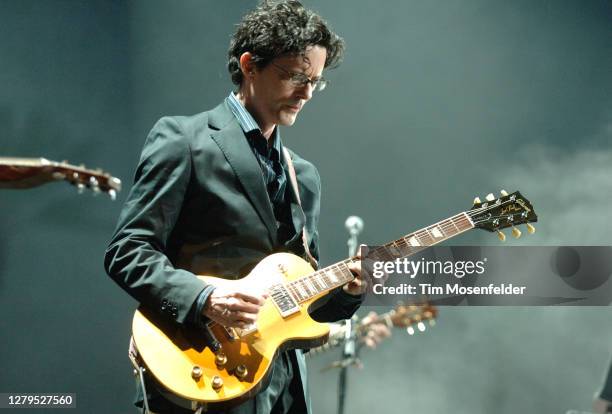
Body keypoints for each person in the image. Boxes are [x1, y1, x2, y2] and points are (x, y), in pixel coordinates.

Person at [104, 1, 366, 413]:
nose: (308, 92)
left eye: (316, 81)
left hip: (284, 388)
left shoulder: (305, 176)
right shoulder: (184, 140)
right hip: (202, 374)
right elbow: (127, 252)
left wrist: (350, 293)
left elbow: (303, 306)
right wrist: (206, 298)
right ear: (250, 65)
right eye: (296, 76)